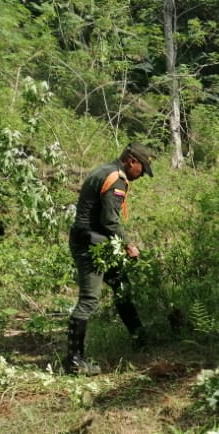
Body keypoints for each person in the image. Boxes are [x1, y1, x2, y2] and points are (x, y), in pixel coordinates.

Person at [65, 142, 156, 375]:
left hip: (100, 243)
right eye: (142, 168)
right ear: (131, 160)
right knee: (89, 300)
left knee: (122, 286)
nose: (142, 174)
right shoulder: (116, 179)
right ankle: (74, 361)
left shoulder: (105, 170)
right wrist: (129, 244)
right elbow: (109, 221)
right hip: (91, 245)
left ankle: (140, 338)